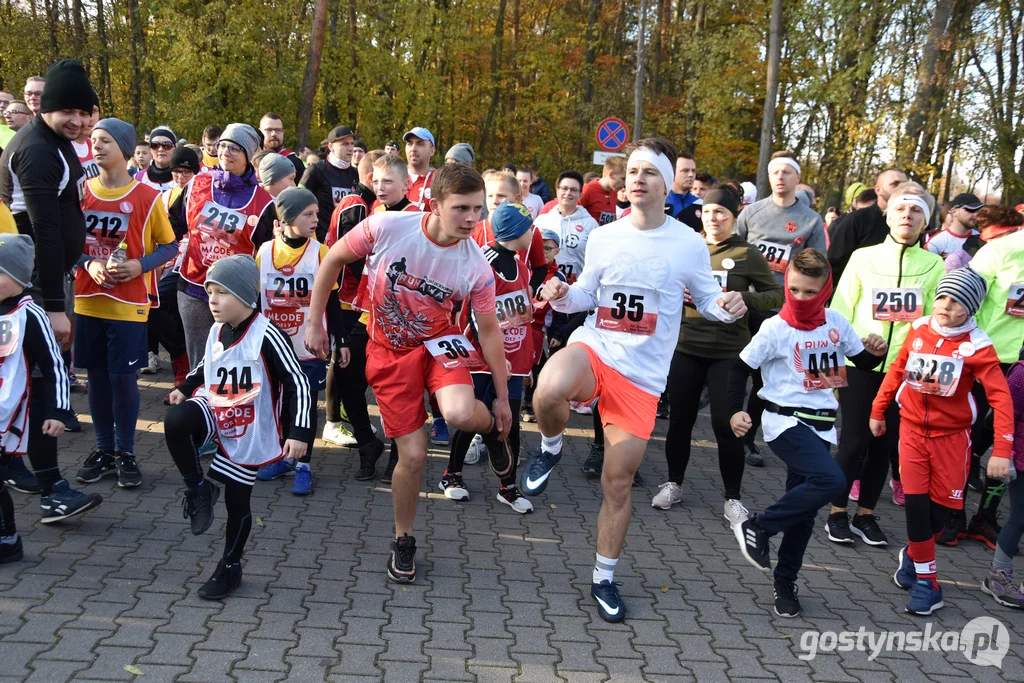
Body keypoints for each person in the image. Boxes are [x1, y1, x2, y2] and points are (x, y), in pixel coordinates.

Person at [523, 138, 747, 623]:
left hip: (642, 377)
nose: (638, 179)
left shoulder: (687, 242)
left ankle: (603, 577)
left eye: (649, 172)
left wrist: (727, 308)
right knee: (548, 389)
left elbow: (707, 300)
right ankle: (551, 446)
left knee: (617, 484)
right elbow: (586, 294)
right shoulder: (606, 236)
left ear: (667, 185)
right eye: (633, 171)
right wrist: (561, 292)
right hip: (598, 347)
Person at [303, 163, 514, 584]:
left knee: (457, 413)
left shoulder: (476, 264)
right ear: (435, 205)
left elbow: (489, 330)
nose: (472, 219)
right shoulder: (386, 227)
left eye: (479, 209)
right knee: (413, 456)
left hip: (440, 346)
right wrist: (314, 322)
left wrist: (503, 398)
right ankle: (404, 539)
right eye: (462, 209)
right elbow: (333, 262)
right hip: (389, 351)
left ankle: (490, 429)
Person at [729, 249, 888, 617]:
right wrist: (736, 410)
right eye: (795, 290)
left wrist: (875, 351)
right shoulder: (775, 327)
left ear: (825, 291)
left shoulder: (835, 322)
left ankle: (784, 583)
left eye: (809, 293)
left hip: (821, 426)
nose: (800, 299)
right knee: (832, 481)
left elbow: (862, 360)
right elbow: (740, 368)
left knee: (803, 514)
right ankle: (758, 525)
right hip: (785, 423)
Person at [166, 255, 310, 599]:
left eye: (222, 293)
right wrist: (185, 387)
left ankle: (230, 565)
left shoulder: (267, 334)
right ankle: (198, 488)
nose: (213, 300)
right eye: (210, 291)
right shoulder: (217, 329)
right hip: (215, 408)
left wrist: (299, 432)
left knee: (237, 500)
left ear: (245, 297)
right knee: (176, 421)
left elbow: (298, 383)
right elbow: (206, 363)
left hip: (250, 425)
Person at [876, 268, 1013, 615]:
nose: (946, 307)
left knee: (939, 517)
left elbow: (1001, 399)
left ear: (970, 310)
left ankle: (912, 556)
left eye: (956, 303)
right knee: (917, 508)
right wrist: (879, 410)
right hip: (911, 432)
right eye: (942, 298)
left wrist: (1001, 450)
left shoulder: (977, 345)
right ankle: (929, 583)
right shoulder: (918, 328)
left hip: (952, 439)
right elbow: (896, 369)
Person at [825, 184, 945, 547]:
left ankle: (866, 514)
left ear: (926, 221)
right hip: (860, 363)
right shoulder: (864, 257)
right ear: (888, 216)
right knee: (854, 440)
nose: (907, 216)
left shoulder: (934, 264)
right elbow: (841, 311)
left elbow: (934, 320)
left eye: (916, 211)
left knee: (885, 443)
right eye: (900, 210)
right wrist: (851, 347)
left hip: (905, 370)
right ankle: (836, 513)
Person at [654, 188, 783, 520]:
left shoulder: (746, 253)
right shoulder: (686, 247)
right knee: (680, 422)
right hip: (686, 347)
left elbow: (776, 295)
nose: (714, 218)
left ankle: (732, 499)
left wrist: (744, 297)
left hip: (728, 353)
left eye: (721, 213)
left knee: (727, 426)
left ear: (734, 215)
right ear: (701, 214)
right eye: (708, 211)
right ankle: (673, 484)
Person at [0, 59, 96, 501]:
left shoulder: (55, 140)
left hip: (40, 279)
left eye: (83, 111)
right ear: (44, 109)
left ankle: (17, 465)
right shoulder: (37, 149)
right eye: (66, 112)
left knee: (26, 378)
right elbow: (45, 230)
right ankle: (51, 486)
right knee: (37, 380)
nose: (75, 120)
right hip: (32, 284)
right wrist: (55, 307)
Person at [72, 117, 178, 489]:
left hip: (129, 303)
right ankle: (103, 450)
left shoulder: (148, 197)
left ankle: (126, 451)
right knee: (97, 377)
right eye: (93, 139)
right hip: (88, 300)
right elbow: (70, 246)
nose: (96, 146)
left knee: (123, 378)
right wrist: (88, 263)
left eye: (105, 141)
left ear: (125, 148)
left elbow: (170, 246)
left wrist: (139, 265)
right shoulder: (81, 191)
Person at [440, 202, 536, 513]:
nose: (533, 232)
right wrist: (491, 356)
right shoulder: (485, 261)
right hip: (482, 358)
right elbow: (473, 313)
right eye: (529, 227)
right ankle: (451, 475)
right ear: (515, 232)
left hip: (515, 359)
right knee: (473, 418)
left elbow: (522, 316)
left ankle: (508, 487)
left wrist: (527, 359)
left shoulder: (521, 266)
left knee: (511, 424)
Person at [733, 152, 827, 467]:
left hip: (785, 311)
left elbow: (818, 267)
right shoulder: (751, 213)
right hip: (748, 306)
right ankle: (731, 429)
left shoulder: (810, 219)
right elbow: (733, 254)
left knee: (764, 381)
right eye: (775, 171)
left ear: (796, 178)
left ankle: (750, 440)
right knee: (737, 369)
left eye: (787, 172)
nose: (780, 177)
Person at [941, 206, 1024, 548]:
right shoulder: (1002, 249)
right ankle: (953, 512)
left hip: (1022, 365)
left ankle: (985, 517)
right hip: (985, 356)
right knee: (965, 434)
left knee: (1013, 443)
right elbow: (963, 297)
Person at [254, 187, 343, 496]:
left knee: (304, 403)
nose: (315, 220)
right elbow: (256, 300)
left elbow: (333, 300)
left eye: (316, 214)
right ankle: (283, 456)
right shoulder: (264, 252)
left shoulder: (321, 252)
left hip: (308, 343)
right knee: (279, 402)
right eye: (308, 214)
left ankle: (303, 464)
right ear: (287, 218)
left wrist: (339, 339)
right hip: (275, 344)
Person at [170, 123, 276, 368]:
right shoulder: (196, 185)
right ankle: (200, 402)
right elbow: (173, 226)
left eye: (235, 148)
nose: (226, 152)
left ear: (248, 155)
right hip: (193, 286)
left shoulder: (263, 202)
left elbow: (267, 250)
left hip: (236, 294)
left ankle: (230, 406)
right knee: (199, 362)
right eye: (223, 146)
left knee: (231, 362)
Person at [322, 151, 387, 471]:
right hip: (349, 297)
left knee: (348, 363)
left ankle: (350, 423)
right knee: (343, 361)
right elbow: (352, 250)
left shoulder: (360, 202)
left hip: (354, 297)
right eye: (381, 178)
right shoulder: (357, 204)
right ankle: (335, 421)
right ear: (371, 176)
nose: (383, 185)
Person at [978, 360, 1024, 608]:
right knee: (1019, 517)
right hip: (1021, 458)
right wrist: (1006, 455)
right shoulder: (1021, 374)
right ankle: (997, 576)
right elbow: (1005, 416)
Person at [827, 168, 908, 284]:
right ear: (878, 190)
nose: (901, 189)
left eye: (904, 185)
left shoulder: (914, 221)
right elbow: (835, 264)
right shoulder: (856, 220)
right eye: (895, 184)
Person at [521, 229, 568, 423]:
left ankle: (529, 405)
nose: (544, 252)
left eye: (549, 248)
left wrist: (558, 334)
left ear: (557, 251)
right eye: (541, 247)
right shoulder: (525, 268)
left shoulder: (558, 277)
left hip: (538, 329)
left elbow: (561, 311)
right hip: (517, 324)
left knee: (536, 365)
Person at [532, 171, 599, 284]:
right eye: (564, 188)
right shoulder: (542, 221)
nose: (568, 193)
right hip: (543, 288)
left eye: (573, 190)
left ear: (580, 195)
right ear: (557, 191)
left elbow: (596, 260)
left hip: (577, 289)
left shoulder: (591, 224)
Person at [299, 125, 358, 240]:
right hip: (320, 239)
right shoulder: (315, 170)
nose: (351, 148)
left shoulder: (356, 174)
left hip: (347, 240)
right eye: (345, 144)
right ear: (331, 146)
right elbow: (297, 202)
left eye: (352, 143)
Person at [924, 193, 984, 259]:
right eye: (970, 210)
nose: (976, 214)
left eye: (978, 211)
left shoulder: (982, 239)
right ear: (954, 211)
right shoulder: (936, 242)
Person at [579, 156, 626, 225]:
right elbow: (573, 216)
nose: (624, 184)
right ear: (611, 174)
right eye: (623, 179)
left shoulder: (613, 192)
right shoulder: (587, 189)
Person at [258, 112, 304, 178]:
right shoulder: (250, 161)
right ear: (260, 132)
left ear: (283, 132)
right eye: (269, 130)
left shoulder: (294, 162)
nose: (274, 134)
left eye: (278, 130)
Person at [665, 152, 702, 230]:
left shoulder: (701, 204)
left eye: (693, 171)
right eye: (685, 170)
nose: (691, 174)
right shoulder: (659, 202)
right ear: (672, 172)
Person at [403, 127, 436, 210]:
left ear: (432, 151)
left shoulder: (440, 180)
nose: (413, 149)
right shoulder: (394, 177)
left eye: (420, 144)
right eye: (409, 143)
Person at [135, 127, 177, 191]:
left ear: (175, 148)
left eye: (167, 145)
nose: (160, 149)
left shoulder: (185, 177)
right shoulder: (138, 177)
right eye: (155, 145)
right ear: (150, 150)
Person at [71, 103, 100, 182]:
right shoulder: (60, 151)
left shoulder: (100, 147)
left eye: (93, 111)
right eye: (83, 112)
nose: (90, 118)